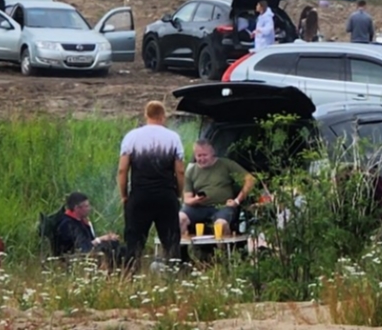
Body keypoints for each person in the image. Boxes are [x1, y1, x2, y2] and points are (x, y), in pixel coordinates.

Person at [117, 101, 186, 266]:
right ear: (163, 116)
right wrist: (178, 193)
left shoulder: (132, 136)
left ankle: (130, 275)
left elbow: (122, 170)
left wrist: (124, 195)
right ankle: (174, 274)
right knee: (171, 241)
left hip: (140, 195)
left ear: (146, 115)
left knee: (134, 241)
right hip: (165, 195)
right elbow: (180, 171)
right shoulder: (173, 137)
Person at [180, 138, 257, 239]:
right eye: (199, 156)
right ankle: (180, 251)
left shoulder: (226, 164)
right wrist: (196, 199)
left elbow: (250, 179)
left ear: (212, 153)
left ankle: (224, 252)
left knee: (220, 225)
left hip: (223, 206)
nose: (202, 159)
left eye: (205, 155)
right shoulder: (191, 171)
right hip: (199, 207)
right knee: (179, 219)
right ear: (195, 155)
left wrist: (237, 201)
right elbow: (187, 199)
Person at [51, 192, 121, 260]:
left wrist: (107, 238)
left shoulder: (80, 221)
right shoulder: (68, 225)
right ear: (77, 208)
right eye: (86, 206)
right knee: (111, 248)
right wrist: (100, 239)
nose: (89, 208)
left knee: (115, 244)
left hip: (86, 251)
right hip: (73, 257)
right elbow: (83, 248)